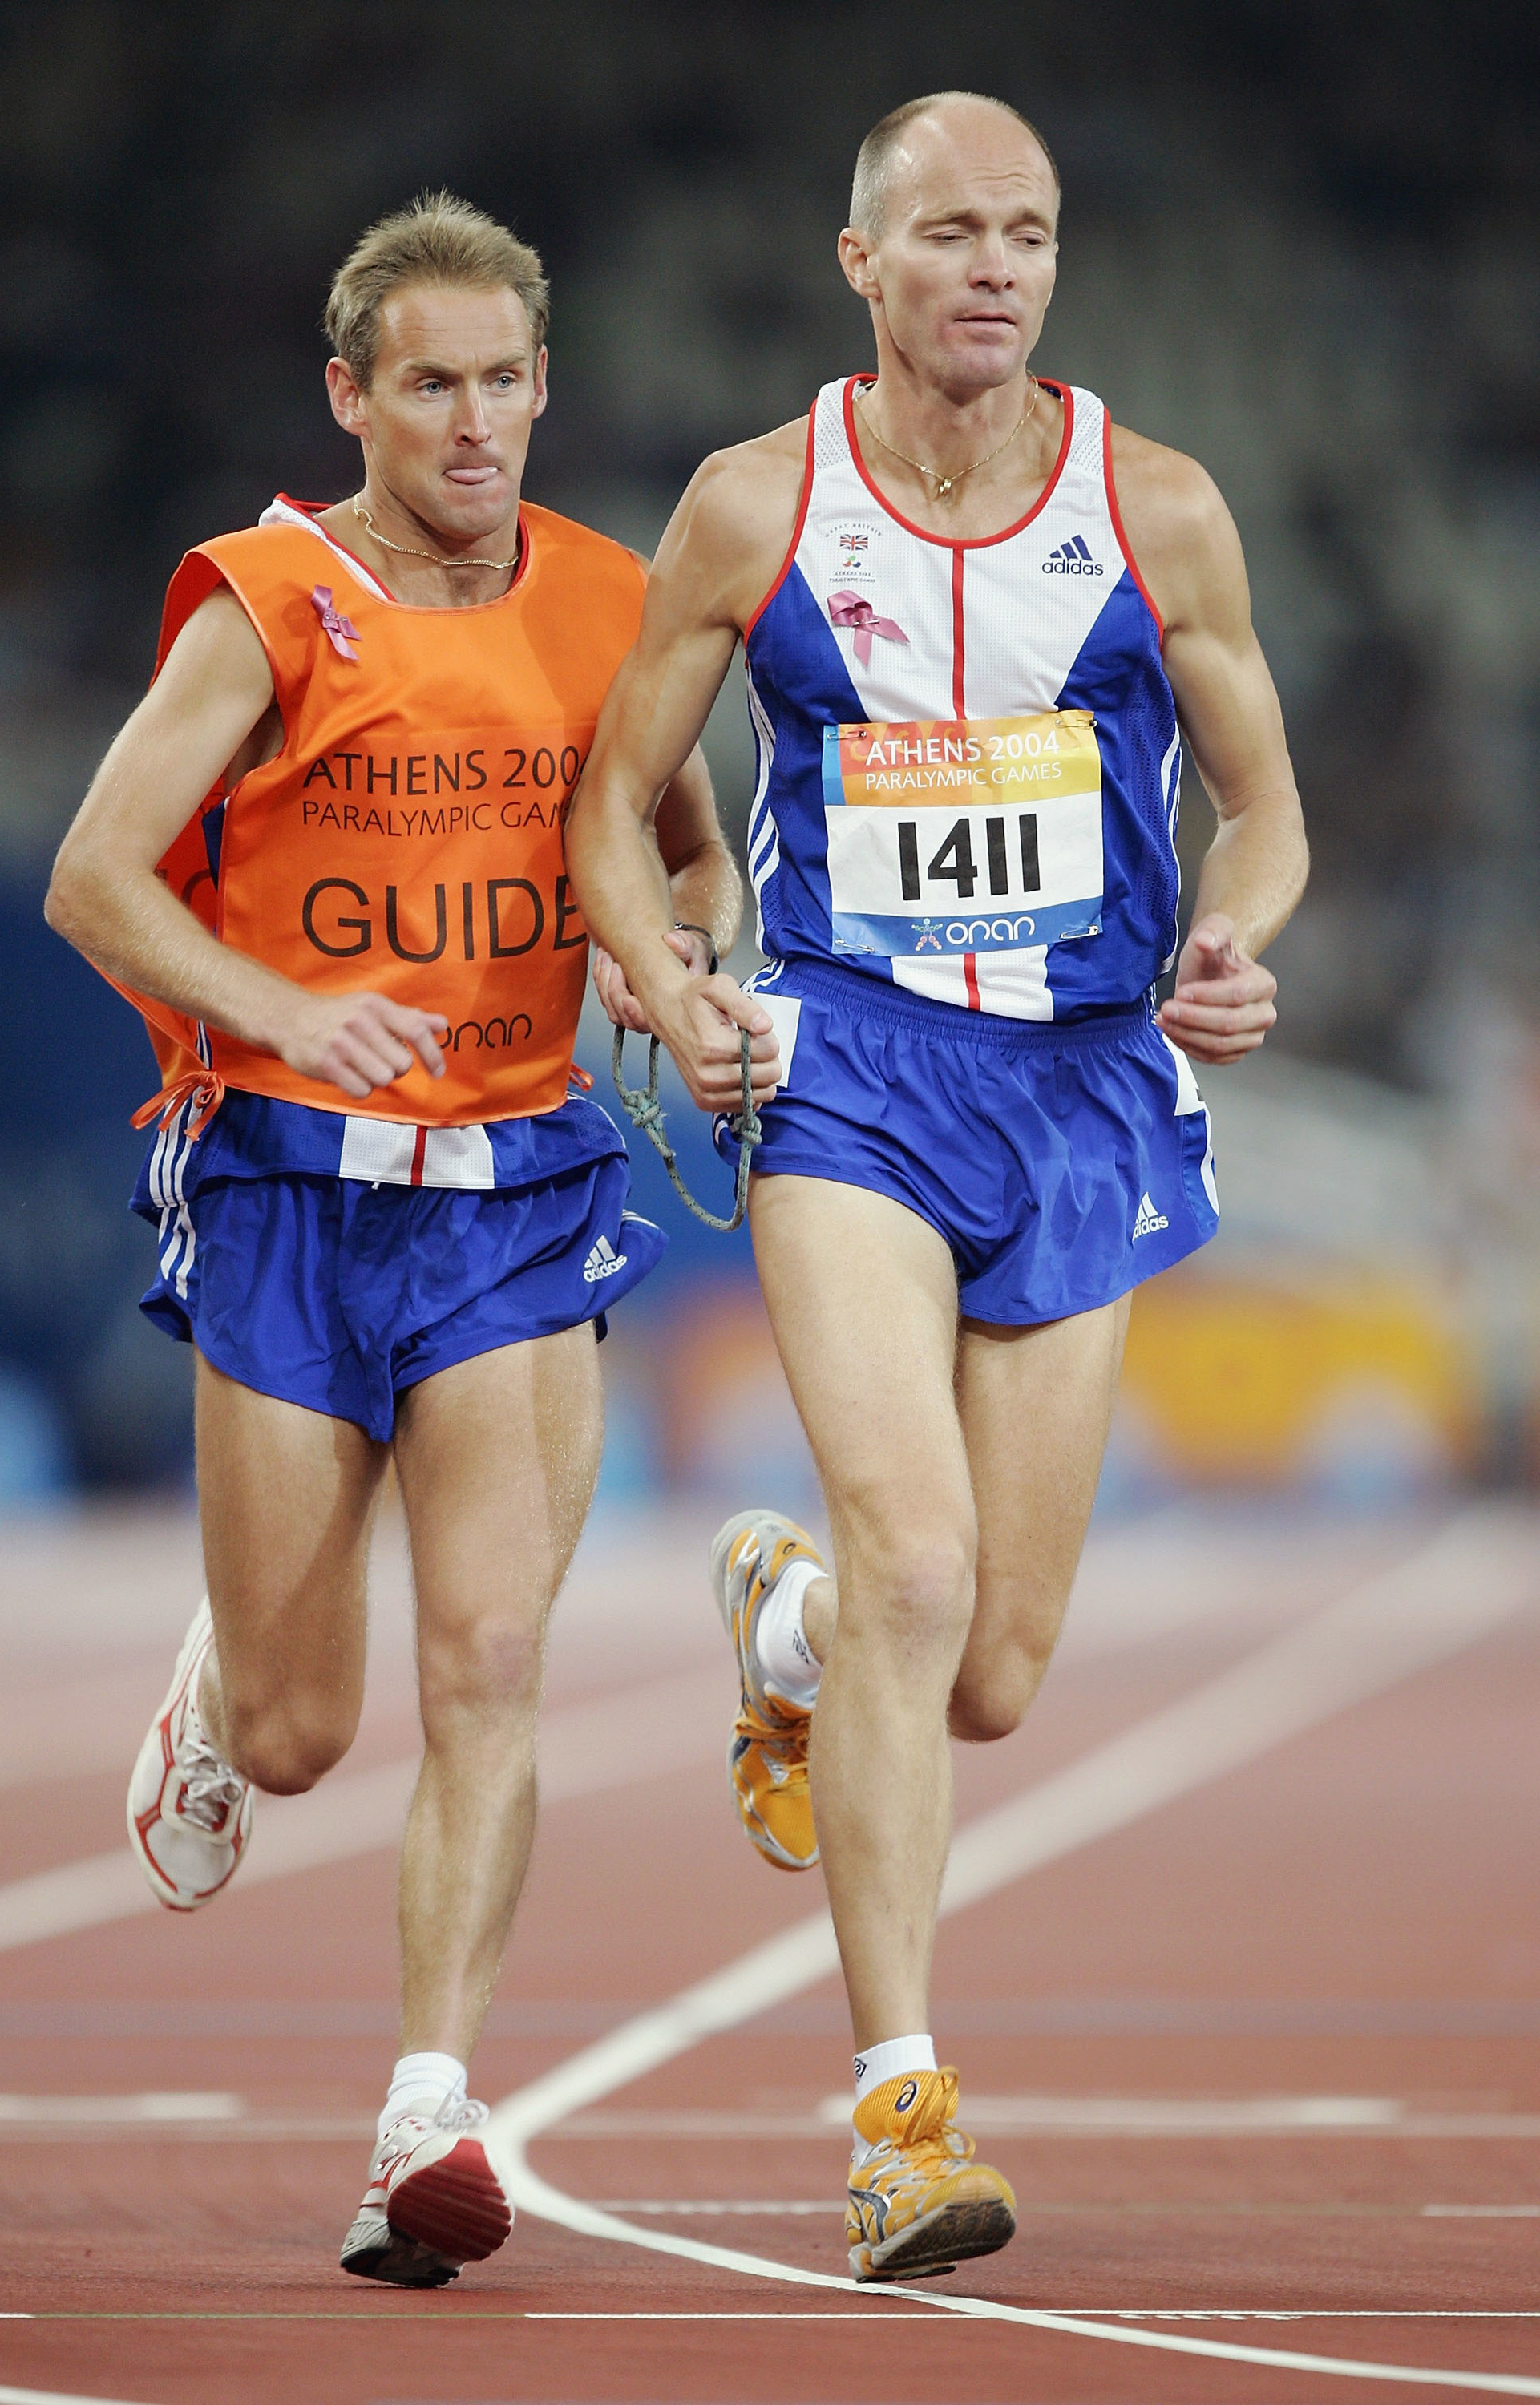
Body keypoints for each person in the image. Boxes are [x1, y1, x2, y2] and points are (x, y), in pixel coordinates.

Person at [568, 93, 1307, 2282]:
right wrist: (664, 972)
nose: (994, 267)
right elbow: (620, 804)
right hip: (850, 1079)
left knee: (983, 1667)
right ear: (858, 263)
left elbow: (1262, 807)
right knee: (918, 1564)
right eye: (951, 233)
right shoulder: (753, 504)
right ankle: (898, 2116)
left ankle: (771, 1620)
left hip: (1083, 1090)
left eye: (1030, 233)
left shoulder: (1156, 508)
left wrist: (1229, 938)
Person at [45, 192, 741, 2288]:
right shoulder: (266, 602)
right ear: (350, 393)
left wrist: (668, 962)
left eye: (503, 380)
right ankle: (221, 1672)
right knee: (296, 1735)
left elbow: (676, 846)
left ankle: (428, 2113)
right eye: (425, 382)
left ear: (544, 387)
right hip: (282, 1179)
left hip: (521, 1192)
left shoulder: (612, 602)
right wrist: (273, 1004)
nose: (469, 420)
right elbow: (95, 877)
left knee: (493, 1659)